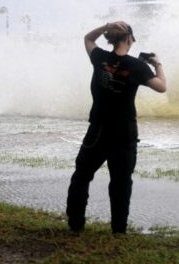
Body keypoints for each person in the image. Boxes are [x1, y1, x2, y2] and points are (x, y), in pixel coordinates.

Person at [66, 21, 166, 234]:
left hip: (98, 130)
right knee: (121, 182)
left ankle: (76, 225)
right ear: (129, 39)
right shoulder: (138, 66)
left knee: (82, 175)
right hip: (124, 132)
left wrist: (106, 25)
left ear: (111, 38)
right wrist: (157, 64)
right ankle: (118, 230)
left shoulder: (100, 57)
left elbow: (88, 38)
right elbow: (162, 86)